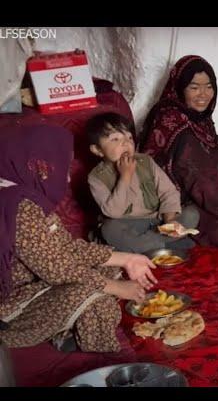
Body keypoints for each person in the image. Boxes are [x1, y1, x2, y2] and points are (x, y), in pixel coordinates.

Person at [0, 123, 157, 353]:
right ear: (37, 165)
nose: (67, 178)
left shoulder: (25, 193)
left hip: (39, 284)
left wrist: (126, 259)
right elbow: (57, 269)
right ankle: (100, 356)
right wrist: (116, 288)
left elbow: (65, 248)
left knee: (110, 270)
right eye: (61, 167)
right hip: (12, 308)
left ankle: (68, 330)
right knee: (97, 293)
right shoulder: (19, 207)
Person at [141, 55, 218, 251]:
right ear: (180, 88)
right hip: (177, 201)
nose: (204, 94)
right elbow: (197, 177)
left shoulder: (198, 118)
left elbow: (210, 160)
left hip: (205, 192)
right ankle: (173, 235)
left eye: (209, 86)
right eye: (194, 87)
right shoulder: (174, 122)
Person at [87, 113, 199, 253]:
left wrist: (170, 220)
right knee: (109, 229)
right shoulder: (96, 177)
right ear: (97, 150)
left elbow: (168, 192)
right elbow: (113, 212)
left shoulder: (145, 161)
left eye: (129, 137)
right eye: (115, 139)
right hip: (129, 226)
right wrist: (125, 176)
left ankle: (145, 246)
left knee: (192, 214)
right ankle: (164, 244)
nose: (125, 143)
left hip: (158, 221)